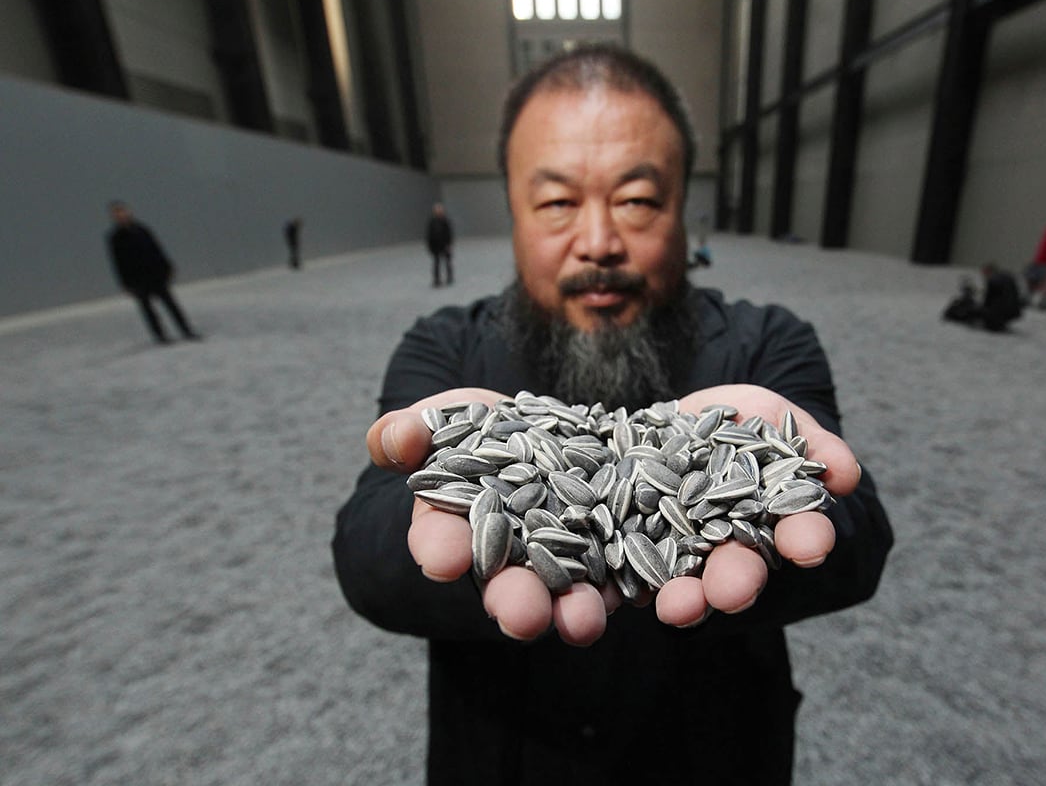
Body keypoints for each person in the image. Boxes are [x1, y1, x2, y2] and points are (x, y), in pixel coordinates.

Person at [333, 45, 892, 785]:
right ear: (513, 212)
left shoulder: (768, 344)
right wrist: (490, 536)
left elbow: (855, 537)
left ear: (685, 209)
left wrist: (737, 524)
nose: (598, 242)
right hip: (505, 758)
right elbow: (366, 551)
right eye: (557, 203)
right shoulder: (446, 347)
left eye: (636, 200)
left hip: (712, 758)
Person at [105, 201, 200, 344]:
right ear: (113, 217)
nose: (121, 215)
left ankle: (186, 330)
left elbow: (157, 249)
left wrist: (167, 267)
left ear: (129, 212)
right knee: (148, 310)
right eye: (117, 213)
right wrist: (125, 283)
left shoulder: (142, 229)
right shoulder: (114, 238)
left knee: (171, 305)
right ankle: (161, 337)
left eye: (123, 211)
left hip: (155, 274)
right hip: (137, 279)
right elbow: (117, 263)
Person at [943, 264, 1022, 332]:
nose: (984, 276)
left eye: (984, 273)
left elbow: (988, 300)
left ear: (989, 271)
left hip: (999, 312)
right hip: (1014, 311)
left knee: (975, 311)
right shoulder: (1007, 276)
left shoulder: (993, 280)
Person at [426, 202, 454, 287]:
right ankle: (437, 280)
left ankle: (449, 278)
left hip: (444, 245)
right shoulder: (432, 221)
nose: (438, 211)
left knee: (447, 262)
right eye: (436, 210)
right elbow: (429, 234)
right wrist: (430, 246)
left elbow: (449, 233)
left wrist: (449, 244)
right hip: (436, 246)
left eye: (440, 210)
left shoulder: (445, 221)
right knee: (436, 263)